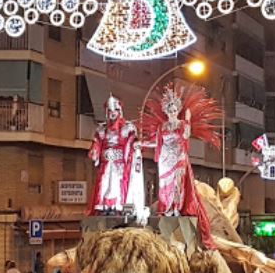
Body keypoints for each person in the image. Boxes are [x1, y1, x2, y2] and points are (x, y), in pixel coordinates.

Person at [142, 84, 221, 248]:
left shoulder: (182, 124)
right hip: (165, 160)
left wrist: (188, 120)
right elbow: (156, 142)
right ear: (165, 110)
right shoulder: (161, 127)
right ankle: (168, 209)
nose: (171, 112)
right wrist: (139, 144)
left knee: (177, 184)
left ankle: (177, 208)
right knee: (165, 187)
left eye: (174, 109)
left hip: (178, 158)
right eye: (169, 109)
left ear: (177, 110)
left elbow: (186, 136)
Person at [88, 94, 142, 215]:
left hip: (120, 164)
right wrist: (94, 150)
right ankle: (104, 207)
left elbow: (133, 140)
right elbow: (97, 142)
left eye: (115, 110)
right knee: (104, 183)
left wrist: (135, 143)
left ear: (120, 111)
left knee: (117, 184)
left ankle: (117, 207)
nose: (113, 113)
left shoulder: (127, 127)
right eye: (110, 110)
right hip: (106, 163)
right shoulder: (102, 129)